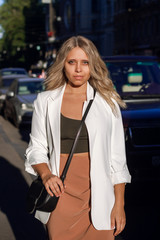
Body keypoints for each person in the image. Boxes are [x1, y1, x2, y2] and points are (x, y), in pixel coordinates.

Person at [25, 36, 131, 240]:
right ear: (63, 64)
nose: (78, 69)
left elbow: (118, 160)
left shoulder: (108, 104)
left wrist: (119, 204)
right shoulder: (46, 101)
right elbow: (36, 147)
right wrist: (46, 174)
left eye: (85, 62)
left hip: (100, 195)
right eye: (72, 62)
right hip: (60, 194)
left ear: (93, 65)